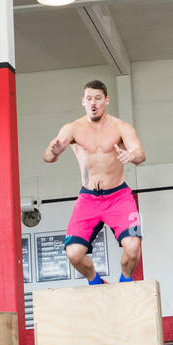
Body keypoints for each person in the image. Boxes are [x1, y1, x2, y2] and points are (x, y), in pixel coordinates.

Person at [44, 81, 146, 284]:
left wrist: (131, 155)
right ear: (83, 101)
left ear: (106, 100)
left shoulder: (121, 127)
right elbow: (47, 156)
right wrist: (53, 152)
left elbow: (140, 154)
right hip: (88, 198)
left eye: (98, 98)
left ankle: (125, 281)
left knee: (133, 247)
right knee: (73, 253)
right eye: (89, 98)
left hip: (119, 196)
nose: (93, 103)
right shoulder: (72, 128)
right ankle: (96, 281)